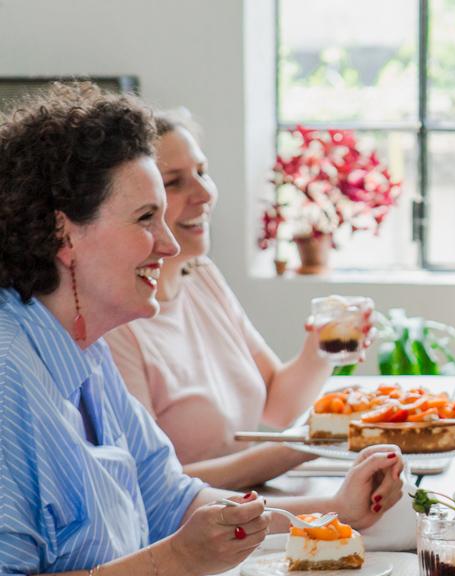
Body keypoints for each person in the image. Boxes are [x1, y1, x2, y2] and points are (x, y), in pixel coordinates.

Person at [0, 84, 405, 576]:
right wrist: (173, 565)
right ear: (64, 233)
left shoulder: (85, 351)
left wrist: (327, 518)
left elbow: (178, 501)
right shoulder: (9, 373)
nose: (167, 241)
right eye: (146, 217)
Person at [105, 110, 348, 489]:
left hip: (250, 508)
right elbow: (152, 486)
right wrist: (303, 446)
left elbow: (278, 404)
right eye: (175, 182)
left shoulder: (200, 274)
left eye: (202, 172)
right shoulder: (116, 322)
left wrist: (322, 346)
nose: (203, 193)